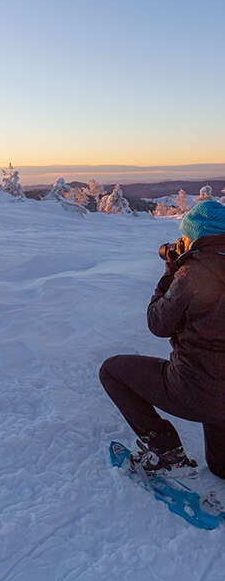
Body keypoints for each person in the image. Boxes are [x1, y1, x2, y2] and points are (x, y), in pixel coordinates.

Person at [99, 199, 225, 478]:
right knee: (220, 470)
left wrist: (169, 275)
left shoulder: (193, 274)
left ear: (197, 236)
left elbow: (158, 323)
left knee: (112, 371)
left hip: (196, 389)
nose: (181, 241)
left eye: (185, 235)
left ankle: (167, 451)